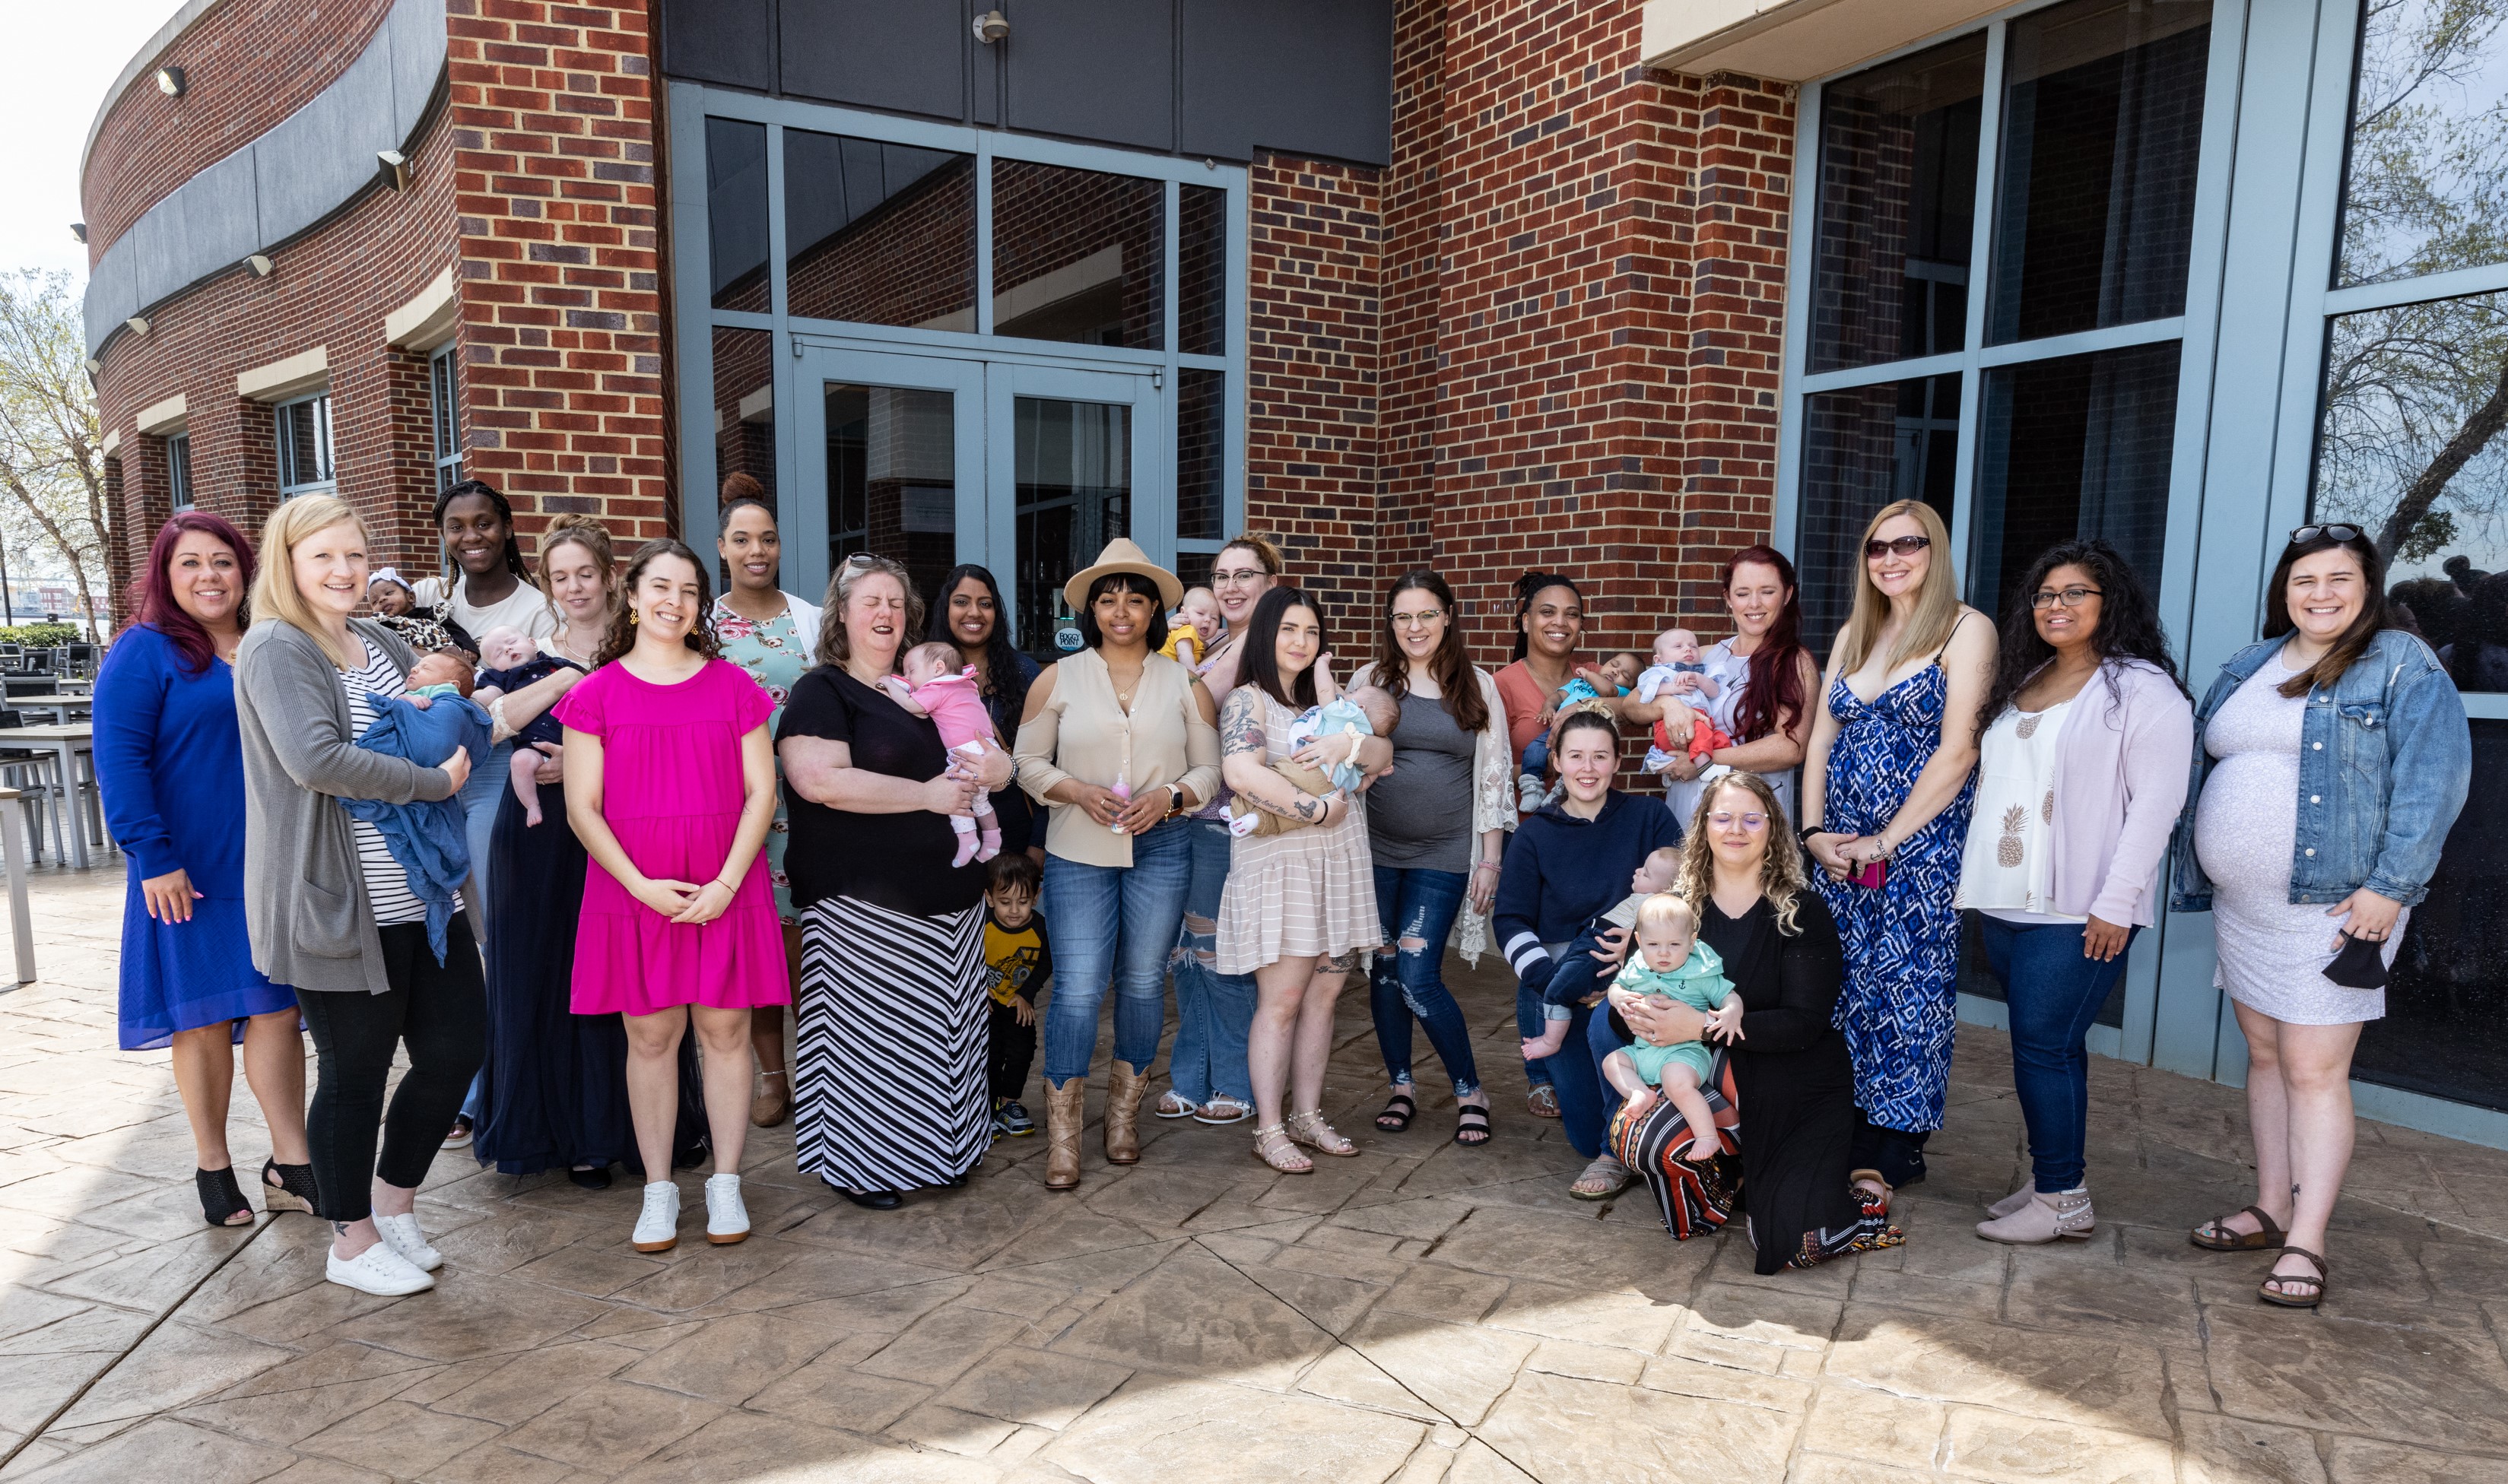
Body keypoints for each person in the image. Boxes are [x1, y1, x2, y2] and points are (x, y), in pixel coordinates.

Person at [2179, 523, 2468, 1308]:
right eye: (2306, 579)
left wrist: (2391, 887)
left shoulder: (2400, 663)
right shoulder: (2252, 661)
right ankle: (2271, 1206)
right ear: (2284, 589)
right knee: (2266, 1053)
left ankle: (2307, 1236)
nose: (2321, 593)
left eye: (2339, 579)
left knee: (2314, 1068)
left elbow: (2432, 784)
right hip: (2248, 903)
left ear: (2367, 587)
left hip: (2340, 903)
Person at [233, 496, 482, 1297]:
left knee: (455, 1048)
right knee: (355, 1071)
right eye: (322, 556)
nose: (342, 570)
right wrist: (430, 783)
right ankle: (350, 1239)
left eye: (352, 553)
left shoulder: (377, 636)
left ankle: (394, 1203)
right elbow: (316, 758)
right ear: (288, 563)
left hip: (422, 899)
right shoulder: (277, 645)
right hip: (339, 902)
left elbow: (439, 714)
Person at [1960, 540, 2192, 1245]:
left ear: (2109, 601)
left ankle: (2063, 1200)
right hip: (2005, 903)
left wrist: (2116, 903)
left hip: (2077, 909)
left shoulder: (2141, 689)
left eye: (2075, 594)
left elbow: (2157, 805)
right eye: (2045, 595)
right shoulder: (2025, 678)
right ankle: (2054, 1175)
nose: (2055, 606)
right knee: (2052, 1047)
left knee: (2042, 1047)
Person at [558, 539, 785, 1252]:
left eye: (689, 591)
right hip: (635, 890)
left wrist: (724, 884)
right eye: (661, 586)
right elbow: (581, 810)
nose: (675, 602)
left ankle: (725, 1182)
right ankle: (658, 1190)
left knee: (727, 1034)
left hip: (725, 886)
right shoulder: (594, 695)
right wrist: (642, 888)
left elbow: (762, 793)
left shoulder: (734, 688)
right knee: (651, 1038)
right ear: (632, 595)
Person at [97, 512, 315, 1229]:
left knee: (278, 1010)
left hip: (271, 863)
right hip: (185, 868)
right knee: (203, 1019)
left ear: (245, 571)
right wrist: (152, 857)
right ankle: (213, 1164)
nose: (208, 577)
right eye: (190, 563)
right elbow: (120, 762)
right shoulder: (144, 652)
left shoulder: (268, 641)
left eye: (222, 562)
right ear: (165, 575)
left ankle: (293, 1163)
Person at [781, 553, 1017, 1209]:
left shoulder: (929, 688)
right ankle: (866, 1168)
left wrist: (997, 771)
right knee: (874, 1043)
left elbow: (997, 754)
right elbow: (818, 780)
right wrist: (927, 796)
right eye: (870, 602)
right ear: (843, 615)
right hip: (863, 904)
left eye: (895, 603)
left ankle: (945, 1155)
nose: (885, 614)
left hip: (953, 902)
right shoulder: (822, 690)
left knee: (947, 1035)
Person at [472, 517, 700, 1189]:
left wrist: (582, 761)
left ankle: (621, 1130)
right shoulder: (526, 654)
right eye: (560, 576)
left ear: (611, 578)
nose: (575, 587)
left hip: (622, 829)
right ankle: (559, 1132)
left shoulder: (643, 654)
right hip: (538, 835)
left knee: (624, 981)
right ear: (547, 584)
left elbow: (671, 746)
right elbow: (488, 727)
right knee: (546, 974)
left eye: (587, 573)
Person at [1607, 772, 1904, 1271]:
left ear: (1772, 829)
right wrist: (1638, 1014)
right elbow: (1629, 1009)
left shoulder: (1802, 909)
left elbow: (1805, 1024)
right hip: (1705, 1071)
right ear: (1703, 827)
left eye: (1751, 818)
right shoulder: (1675, 910)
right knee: (1643, 1136)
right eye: (1723, 817)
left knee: (1790, 1241)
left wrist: (1697, 1025)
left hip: (1793, 1081)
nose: (1736, 829)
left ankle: (1851, 1189)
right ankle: (1728, 1181)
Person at [1799, 500, 1995, 1209]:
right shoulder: (1859, 631)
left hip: (1919, 845)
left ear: (1935, 550)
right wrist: (1815, 831)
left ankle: (1896, 1141)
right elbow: (1820, 740)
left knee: (1908, 986)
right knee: (1842, 980)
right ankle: (1841, 1120)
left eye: (1908, 545)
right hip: (1840, 847)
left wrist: (1888, 840)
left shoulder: (1966, 630)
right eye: (1878, 548)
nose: (1892, 559)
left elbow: (1959, 750)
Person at [1014, 539, 1220, 1191]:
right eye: (1108, 599)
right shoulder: (1058, 678)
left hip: (1163, 845)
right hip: (1079, 848)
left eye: (1135, 598)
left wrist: (1171, 796)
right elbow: (1025, 763)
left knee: (1138, 983)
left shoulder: (1185, 683)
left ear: (1156, 608)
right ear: (1092, 610)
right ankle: (1066, 1139)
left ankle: (1123, 1120)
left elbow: (1210, 770)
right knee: (1077, 988)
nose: (1122, 610)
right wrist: (1075, 790)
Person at [1217, 585, 1382, 1172]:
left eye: (1311, 631)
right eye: (1289, 629)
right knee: (1283, 999)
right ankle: (1269, 1127)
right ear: (1266, 633)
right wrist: (1312, 808)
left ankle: (1309, 1116)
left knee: (1326, 995)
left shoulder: (1328, 702)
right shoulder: (1248, 700)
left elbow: (1377, 755)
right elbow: (1239, 770)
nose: (1301, 641)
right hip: (1282, 864)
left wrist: (1356, 751)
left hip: (1339, 859)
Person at [411, 479, 555, 1149]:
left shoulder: (540, 609)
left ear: (506, 527)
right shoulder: (431, 609)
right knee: (452, 943)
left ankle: (488, 1089)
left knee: (496, 937)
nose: (470, 537)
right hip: (437, 786)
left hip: (499, 782)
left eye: (484, 524)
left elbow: (523, 712)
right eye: (456, 526)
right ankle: (461, 1078)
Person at [1348, 571, 1514, 1148]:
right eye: (1402, 617)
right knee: (1386, 970)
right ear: (1391, 623)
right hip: (1374, 852)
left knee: (1420, 974)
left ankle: (1470, 1090)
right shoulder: (1369, 680)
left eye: (1425, 615)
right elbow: (1341, 759)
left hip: (1444, 854)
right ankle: (1401, 1085)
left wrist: (1490, 859)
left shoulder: (1477, 685)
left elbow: (1494, 776)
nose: (1414, 628)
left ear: (1447, 615)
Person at [1492, 708, 1684, 1197]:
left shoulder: (1650, 817)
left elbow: (1685, 894)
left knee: (1613, 1122)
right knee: (1581, 1132)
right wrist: (1553, 983)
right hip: (1561, 987)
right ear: (1555, 760)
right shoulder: (1535, 834)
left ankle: (1621, 1148)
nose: (1588, 767)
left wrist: (1640, 943)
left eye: (1600, 756)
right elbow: (1510, 919)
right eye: (1575, 756)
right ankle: (1624, 1137)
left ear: (1617, 761)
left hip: (1643, 982)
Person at [711, 490, 823, 1128]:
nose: (759, 551)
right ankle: (774, 1079)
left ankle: (819, 1073)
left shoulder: (809, 619)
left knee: (810, 951)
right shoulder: (703, 625)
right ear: (723, 546)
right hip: (739, 812)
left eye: (769, 539)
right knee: (758, 953)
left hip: (806, 809)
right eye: (745, 540)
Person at [1164, 534, 1284, 1125]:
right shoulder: (1214, 643)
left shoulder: (1257, 647)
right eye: (1222, 575)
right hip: (1187, 814)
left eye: (1245, 574)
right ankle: (1191, 1073)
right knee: (1188, 953)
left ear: (1270, 582)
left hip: (1226, 821)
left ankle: (1234, 1078)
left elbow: (1196, 705)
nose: (1231, 586)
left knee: (1219, 954)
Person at [1491, 569, 1614, 1118]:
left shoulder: (1592, 680)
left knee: (1583, 943)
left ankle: (1586, 1054)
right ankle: (1539, 1072)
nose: (1559, 622)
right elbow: (1488, 765)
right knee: (1536, 944)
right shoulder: (1501, 683)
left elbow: (1630, 715)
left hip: (1586, 832)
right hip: (1526, 834)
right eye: (1546, 612)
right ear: (1525, 620)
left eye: (1570, 613)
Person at [1624, 546, 1822, 832]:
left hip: (1751, 818)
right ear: (1728, 599)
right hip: (1689, 807)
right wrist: (1669, 705)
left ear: (1787, 595)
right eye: (1742, 593)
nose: (1754, 604)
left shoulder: (1794, 662)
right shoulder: (1706, 656)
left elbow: (1790, 747)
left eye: (1767, 591)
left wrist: (1705, 760)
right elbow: (1631, 704)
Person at [339, 650, 491, 966]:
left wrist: (399, 709)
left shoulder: (446, 704)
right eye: (417, 665)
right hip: (375, 901)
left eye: (425, 667)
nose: (414, 667)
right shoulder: (418, 696)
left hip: (414, 800)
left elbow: (431, 747)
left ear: (449, 683)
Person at [1592, 894, 1741, 1154]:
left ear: (1692, 942)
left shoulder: (1699, 972)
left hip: (1684, 1053)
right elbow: (1616, 987)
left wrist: (1732, 1012)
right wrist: (1617, 998)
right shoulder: (1637, 966)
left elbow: (1728, 994)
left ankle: (1707, 1136)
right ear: (1639, 941)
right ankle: (1639, 1092)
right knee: (1612, 1063)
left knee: (1677, 1084)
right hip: (1643, 1051)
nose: (1663, 952)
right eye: (1653, 944)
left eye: (1674, 944)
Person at [927, 563, 1043, 865]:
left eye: (985, 604)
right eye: (961, 601)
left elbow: (1050, 762)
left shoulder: (1025, 674)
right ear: (945, 609)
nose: (974, 613)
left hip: (1015, 843)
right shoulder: (919, 675)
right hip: (944, 840)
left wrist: (1038, 846)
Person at [1519, 844, 1682, 1056]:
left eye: (1646, 874)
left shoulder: (1654, 905)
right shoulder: (1643, 899)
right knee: (1552, 983)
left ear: (1663, 891)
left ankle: (1551, 1041)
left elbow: (1655, 936)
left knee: (1556, 992)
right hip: (1589, 942)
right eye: (1642, 868)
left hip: (1598, 952)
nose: (1637, 871)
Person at [886, 640, 1005, 864]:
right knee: (980, 800)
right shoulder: (965, 684)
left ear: (938, 669)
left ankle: (968, 839)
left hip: (966, 751)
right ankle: (992, 840)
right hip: (989, 750)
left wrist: (890, 684)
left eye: (911, 671)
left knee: (954, 795)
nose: (908, 678)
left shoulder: (938, 687)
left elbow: (912, 706)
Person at [979, 851, 1052, 1140]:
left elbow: (1047, 962)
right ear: (989, 898)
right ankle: (984, 1110)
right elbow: (964, 958)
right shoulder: (980, 926)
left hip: (1018, 1005)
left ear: (1036, 897)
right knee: (989, 1055)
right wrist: (975, 991)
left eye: (1023, 902)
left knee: (1022, 1053)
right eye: (1005, 902)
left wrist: (1026, 993)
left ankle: (1009, 1105)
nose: (1013, 911)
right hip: (985, 1007)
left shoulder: (1039, 928)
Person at [364, 569, 465, 655]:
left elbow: (456, 631)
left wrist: (468, 647)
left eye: (389, 593)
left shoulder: (431, 613)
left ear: (411, 597)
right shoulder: (383, 626)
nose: (382, 599)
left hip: (452, 657)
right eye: (375, 601)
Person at [1162, 587, 1222, 670]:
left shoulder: (1198, 641)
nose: (1208, 620)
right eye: (1200, 613)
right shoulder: (1186, 630)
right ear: (1183, 612)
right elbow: (1183, 653)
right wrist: (1194, 674)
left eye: (1214, 618)